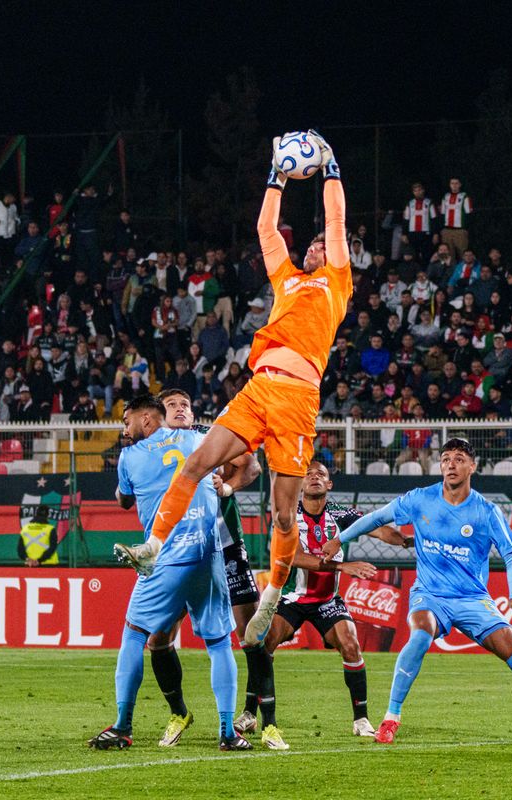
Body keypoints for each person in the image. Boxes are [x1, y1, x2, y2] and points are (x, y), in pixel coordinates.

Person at [115, 131, 352, 649]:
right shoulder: (287, 278)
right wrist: (277, 175)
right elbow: (266, 226)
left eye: (323, 245)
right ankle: (153, 546)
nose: (318, 246)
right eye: (311, 243)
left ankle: (273, 595)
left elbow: (335, 220)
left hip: (297, 398)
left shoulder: (337, 280)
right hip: (257, 388)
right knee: (198, 461)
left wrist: (330, 168)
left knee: (283, 513)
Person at [321, 438, 512, 746]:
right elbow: (375, 518)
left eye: (459, 458)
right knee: (419, 635)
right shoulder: (421, 499)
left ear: (472, 466)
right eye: (445, 459)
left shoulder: (486, 511)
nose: (451, 464)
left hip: (472, 599)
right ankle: (390, 719)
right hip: (430, 594)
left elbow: (511, 557)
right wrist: (340, 540)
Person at [89, 395, 249, 752]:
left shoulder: (129, 457)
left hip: (163, 559)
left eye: (127, 421)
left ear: (147, 420)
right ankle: (227, 732)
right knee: (219, 643)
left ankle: (122, 725)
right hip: (208, 557)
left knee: (135, 634)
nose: (124, 429)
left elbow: (124, 499)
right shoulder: (198, 440)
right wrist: (225, 485)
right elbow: (245, 461)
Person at [252, 461, 407, 746]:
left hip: (326, 600)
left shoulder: (341, 514)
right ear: (300, 485)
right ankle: (251, 713)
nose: (313, 477)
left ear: (329, 485)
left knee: (350, 644)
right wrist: (342, 566)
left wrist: (406, 541)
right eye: (308, 474)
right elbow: (293, 558)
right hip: (292, 597)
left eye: (320, 474)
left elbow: (379, 529)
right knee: (265, 643)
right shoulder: (288, 516)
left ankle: (361, 719)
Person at [150, 389, 268, 749]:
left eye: (185, 403)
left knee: (249, 629)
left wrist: (228, 486)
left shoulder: (211, 437)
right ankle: (178, 711)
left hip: (225, 544)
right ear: (159, 415)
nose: (181, 409)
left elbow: (252, 465)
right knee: (159, 637)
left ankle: (251, 712)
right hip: (176, 550)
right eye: (172, 406)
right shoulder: (151, 450)